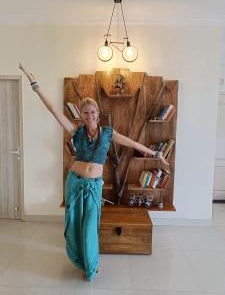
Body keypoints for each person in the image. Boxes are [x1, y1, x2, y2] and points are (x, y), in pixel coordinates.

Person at [19, 63, 169, 282]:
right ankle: (82, 261)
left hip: (93, 186)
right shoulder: (75, 130)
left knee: (90, 226)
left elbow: (133, 143)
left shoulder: (108, 133)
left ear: (98, 114)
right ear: (82, 115)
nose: (89, 115)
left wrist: (156, 154)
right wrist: (35, 84)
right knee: (75, 225)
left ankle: (91, 265)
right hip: (75, 183)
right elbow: (53, 110)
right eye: (85, 112)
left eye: (92, 112)